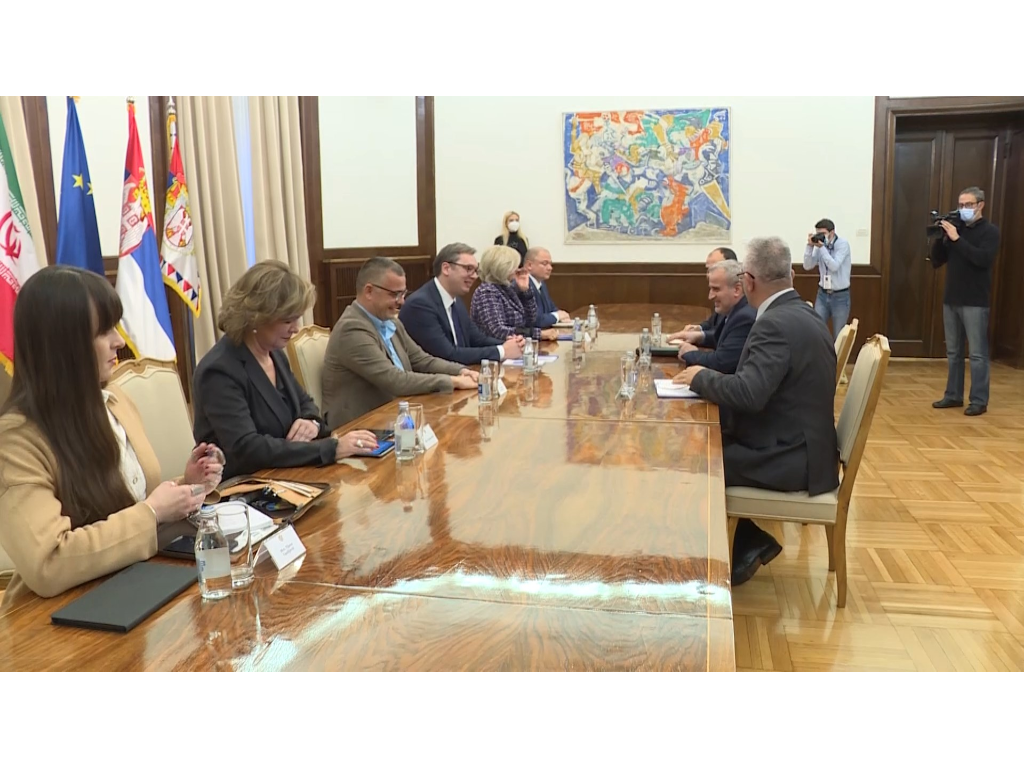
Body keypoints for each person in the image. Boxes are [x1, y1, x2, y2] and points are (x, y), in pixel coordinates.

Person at [0, 266, 224, 608]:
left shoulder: (114, 399)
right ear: (63, 346)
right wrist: (153, 512)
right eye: (104, 331)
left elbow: (127, 506)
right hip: (56, 616)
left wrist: (186, 487)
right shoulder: (17, 439)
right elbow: (48, 563)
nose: (119, 341)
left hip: (132, 587)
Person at [674, 237, 839, 586]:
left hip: (791, 458)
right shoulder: (803, 313)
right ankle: (745, 544)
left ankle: (722, 557)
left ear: (747, 282)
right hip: (807, 448)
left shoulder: (773, 324)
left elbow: (749, 394)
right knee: (706, 448)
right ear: (791, 274)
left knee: (694, 462)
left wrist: (700, 377)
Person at [192, 261, 379, 478]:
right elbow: (247, 448)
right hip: (242, 486)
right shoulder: (219, 370)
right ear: (256, 316)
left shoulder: (274, 354)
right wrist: (331, 448)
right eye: (288, 320)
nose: (296, 328)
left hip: (287, 474)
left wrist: (311, 423)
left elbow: (306, 404)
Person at [322, 257, 478, 431]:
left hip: (395, 416)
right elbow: (395, 380)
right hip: (359, 427)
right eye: (394, 294)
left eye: (403, 294)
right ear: (369, 291)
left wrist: (462, 371)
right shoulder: (352, 329)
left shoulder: (391, 322)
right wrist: (453, 381)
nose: (401, 301)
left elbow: (422, 360)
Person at [930, 186, 1001, 417]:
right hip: (952, 298)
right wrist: (940, 238)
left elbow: (982, 259)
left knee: (978, 354)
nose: (963, 209)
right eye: (960, 205)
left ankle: (979, 400)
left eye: (968, 205)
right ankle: (953, 394)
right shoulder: (956, 229)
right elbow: (937, 261)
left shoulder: (990, 232)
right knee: (953, 352)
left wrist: (957, 239)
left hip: (975, 301)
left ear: (980, 205)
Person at [399, 242, 525, 366]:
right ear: (446, 268)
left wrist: (510, 344)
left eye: (476, 270)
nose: (474, 276)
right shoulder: (420, 305)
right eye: (468, 269)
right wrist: (502, 351)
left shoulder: (456, 300)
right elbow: (447, 355)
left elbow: (477, 339)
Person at [672, 260, 755, 374]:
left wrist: (690, 353)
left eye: (716, 289)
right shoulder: (734, 309)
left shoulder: (744, 318)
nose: (710, 296)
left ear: (737, 289)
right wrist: (700, 337)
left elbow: (721, 363)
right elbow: (726, 339)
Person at [471, 245, 560, 341]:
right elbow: (498, 331)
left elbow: (531, 320)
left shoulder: (509, 288)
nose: (518, 270)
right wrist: (538, 334)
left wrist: (526, 291)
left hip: (518, 345)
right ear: (503, 268)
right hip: (499, 348)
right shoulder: (487, 292)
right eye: (514, 266)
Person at [667, 247, 737, 343]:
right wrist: (698, 328)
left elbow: (722, 335)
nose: (709, 274)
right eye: (708, 269)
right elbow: (712, 322)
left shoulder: (735, 298)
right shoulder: (720, 292)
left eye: (714, 268)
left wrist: (699, 336)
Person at [803, 218, 852, 341]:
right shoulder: (821, 247)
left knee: (839, 336)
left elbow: (834, 266)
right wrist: (809, 247)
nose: (821, 237)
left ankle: (835, 355)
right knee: (817, 331)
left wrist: (821, 248)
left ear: (832, 232)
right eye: (818, 233)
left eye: (823, 233)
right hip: (822, 294)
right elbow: (807, 266)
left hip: (840, 296)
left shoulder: (842, 244)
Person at [524, 247, 570, 329]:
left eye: (550, 264)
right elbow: (536, 320)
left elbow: (552, 308)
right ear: (529, 265)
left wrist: (561, 315)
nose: (550, 268)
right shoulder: (524, 286)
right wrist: (557, 316)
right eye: (544, 263)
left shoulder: (541, 284)